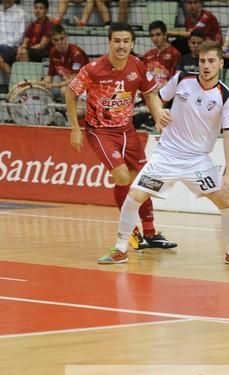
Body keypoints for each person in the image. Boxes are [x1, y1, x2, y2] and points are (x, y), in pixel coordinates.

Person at [96, 41, 229, 265]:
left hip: (197, 161)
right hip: (167, 156)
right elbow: (157, 99)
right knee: (133, 198)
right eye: (202, 61)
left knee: (226, 202)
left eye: (211, 61)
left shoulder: (225, 96)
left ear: (221, 63)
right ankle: (120, 248)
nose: (206, 66)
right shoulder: (182, 79)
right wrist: (159, 114)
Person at [66, 22, 177, 250]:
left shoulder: (137, 65)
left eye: (126, 41)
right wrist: (75, 128)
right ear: (109, 42)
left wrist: (157, 115)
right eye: (117, 41)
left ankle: (150, 232)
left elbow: (150, 94)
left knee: (142, 182)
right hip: (100, 131)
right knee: (122, 177)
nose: (121, 45)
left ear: (132, 43)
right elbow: (70, 92)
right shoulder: (93, 69)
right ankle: (132, 233)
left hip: (127, 131)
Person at [0, 0, 52, 81]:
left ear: (46, 11)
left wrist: (24, 50)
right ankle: (14, 81)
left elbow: (42, 45)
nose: (37, 10)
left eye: (41, 8)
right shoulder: (32, 25)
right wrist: (21, 48)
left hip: (42, 52)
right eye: (36, 8)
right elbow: (25, 42)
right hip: (28, 50)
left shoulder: (49, 25)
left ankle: (23, 82)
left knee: (23, 52)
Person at [39, 25, 89, 101]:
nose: (59, 42)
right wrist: (45, 83)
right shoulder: (53, 52)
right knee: (44, 89)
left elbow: (75, 78)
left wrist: (54, 85)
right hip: (66, 81)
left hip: (83, 83)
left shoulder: (76, 53)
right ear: (52, 41)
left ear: (66, 37)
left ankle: (68, 111)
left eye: (62, 39)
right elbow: (50, 74)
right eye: (56, 40)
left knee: (64, 90)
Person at [143, 21, 181, 87]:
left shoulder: (174, 53)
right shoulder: (148, 54)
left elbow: (175, 77)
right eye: (152, 35)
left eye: (158, 34)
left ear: (165, 35)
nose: (155, 38)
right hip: (150, 91)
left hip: (166, 91)